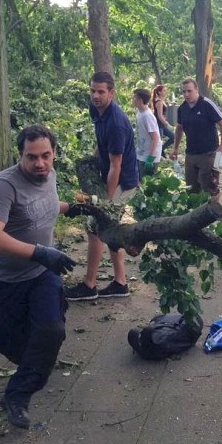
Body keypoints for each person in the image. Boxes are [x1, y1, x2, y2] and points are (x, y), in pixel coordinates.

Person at [0, 124, 98, 429]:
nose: (40, 163)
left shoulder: (50, 176)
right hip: (3, 280)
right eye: (32, 157)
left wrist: (71, 208)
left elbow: (44, 205)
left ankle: (17, 396)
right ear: (21, 156)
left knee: (51, 330)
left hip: (41, 273)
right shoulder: (4, 186)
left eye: (46, 155)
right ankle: (29, 368)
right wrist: (41, 252)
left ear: (54, 153)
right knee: (14, 347)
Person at [66, 72, 139, 301]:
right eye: (93, 91)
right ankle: (120, 283)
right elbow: (102, 145)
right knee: (109, 230)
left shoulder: (117, 123)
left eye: (101, 92)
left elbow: (115, 167)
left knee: (96, 227)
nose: (95, 96)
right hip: (111, 175)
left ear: (111, 93)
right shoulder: (95, 110)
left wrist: (104, 203)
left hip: (123, 182)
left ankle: (89, 285)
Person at [170, 78, 222, 195]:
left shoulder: (206, 104)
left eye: (189, 91)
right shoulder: (182, 108)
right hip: (190, 154)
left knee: (208, 188)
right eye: (184, 92)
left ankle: (212, 212)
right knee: (191, 189)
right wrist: (175, 148)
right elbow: (179, 128)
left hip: (208, 154)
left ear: (196, 90)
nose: (186, 94)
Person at [133, 88, 161, 179]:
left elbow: (155, 138)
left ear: (140, 100)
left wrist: (150, 159)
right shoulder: (139, 113)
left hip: (149, 155)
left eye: (134, 98)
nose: (132, 100)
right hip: (141, 152)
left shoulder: (147, 116)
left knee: (149, 184)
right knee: (141, 181)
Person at [151, 84, 174, 156]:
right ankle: (153, 158)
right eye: (164, 90)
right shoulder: (159, 102)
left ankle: (161, 150)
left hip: (162, 124)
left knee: (173, 137)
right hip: (159, 124)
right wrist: (167, 124)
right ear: (159, 92)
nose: (166, 92)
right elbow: (159, 116)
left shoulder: (161, 101)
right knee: (158, 142)